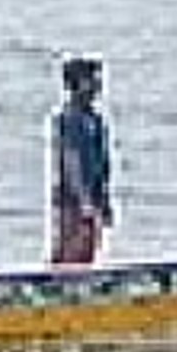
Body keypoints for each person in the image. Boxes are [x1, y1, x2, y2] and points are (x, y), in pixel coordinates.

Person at [49, 56, 113, 266]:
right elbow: (71, 159)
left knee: (90, 251)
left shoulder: (95, 119)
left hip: (93, 196)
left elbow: (102, 163)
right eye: (91, 79)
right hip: (73, 199)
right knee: (71, 252)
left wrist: (103, 199)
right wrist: (83, 200)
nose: (97, 85)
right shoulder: (70, 118)